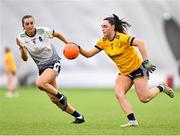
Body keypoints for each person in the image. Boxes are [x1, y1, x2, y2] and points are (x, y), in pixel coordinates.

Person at [78, 14, 174, 127]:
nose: (103, 29)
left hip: (138, 69)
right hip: (125, 73)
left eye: (105, 26)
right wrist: (78, 49)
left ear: (113, 27)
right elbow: (88, 54)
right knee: (119, 93)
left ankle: (161, 87)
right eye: (102, 26)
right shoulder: (103, 41)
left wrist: (146, 62)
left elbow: (140, 43)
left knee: (144, 98)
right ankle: (133, 121)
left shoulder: (122, 38)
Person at [16, 15, 85, 123]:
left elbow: (57, 34)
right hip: (42, 68)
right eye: (27, 24)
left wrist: (68, 44)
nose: (30, 25)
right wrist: (22, 47)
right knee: (54, 99)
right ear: (23, 26)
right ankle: (79, 117)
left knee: (40, 83)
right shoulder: (20, 38)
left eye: (31, 23)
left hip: (53, 62)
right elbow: (24, 58)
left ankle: (61, 96)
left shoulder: (43, 31)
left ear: (34, 23)